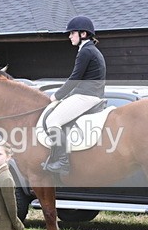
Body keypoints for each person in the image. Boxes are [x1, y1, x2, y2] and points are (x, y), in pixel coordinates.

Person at [42, 15, 106, 175]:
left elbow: (75, 78)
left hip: (86, 95)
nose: (69, 36)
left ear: (83, 34)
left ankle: (62, 162)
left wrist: (56, 96)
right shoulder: (90, 49)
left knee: (52, 121)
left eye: (72, 33)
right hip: (90, 93)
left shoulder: (86, 51)